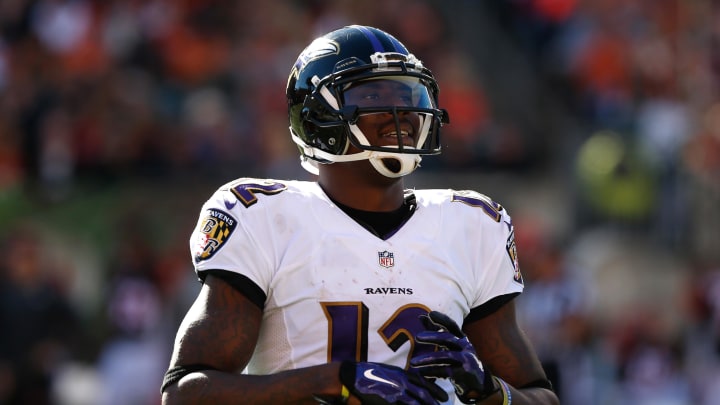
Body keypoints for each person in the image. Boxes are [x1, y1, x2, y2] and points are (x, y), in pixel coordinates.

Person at [161, 25, 559, 405]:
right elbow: (185, 393)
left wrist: (488, 391)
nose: (400, 112)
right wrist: (337, 380)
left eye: (408, 96)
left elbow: (540, 396)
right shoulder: (263, 216)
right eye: (372, 97)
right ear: (319, 117)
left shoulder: (472, 224)